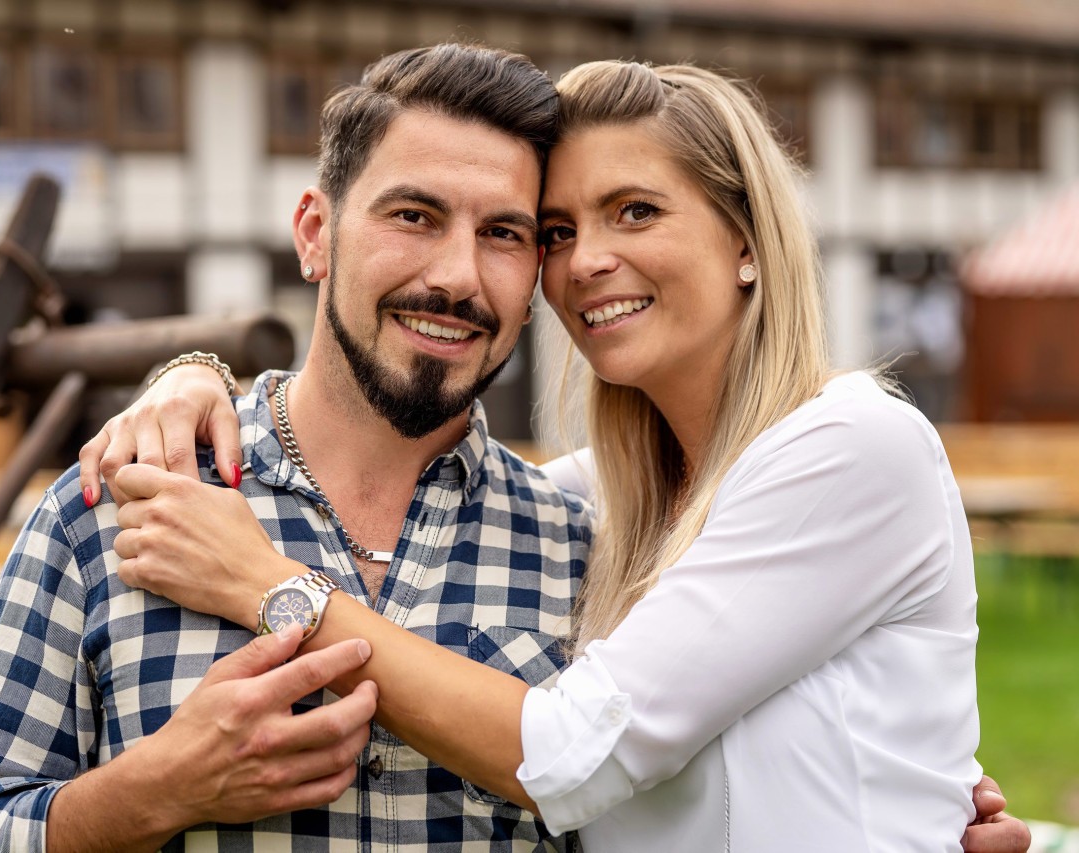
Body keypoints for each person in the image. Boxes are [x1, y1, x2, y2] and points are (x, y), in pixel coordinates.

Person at [93, 59, 1028, 852]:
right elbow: (417, 487)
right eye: (557, 232)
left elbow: (572, 752)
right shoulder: (606, 500)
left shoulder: (853, 447)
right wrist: (195, 378)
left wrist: (267, 580)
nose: (585, 262)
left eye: (635, 211)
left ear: (745, 241)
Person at [0, 43, 591, 852]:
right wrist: (153, 792)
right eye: (414, 216)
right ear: (314, 235)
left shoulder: (575, 548)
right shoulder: (117, 503)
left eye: (503, 233)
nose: (458, 276)